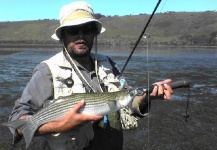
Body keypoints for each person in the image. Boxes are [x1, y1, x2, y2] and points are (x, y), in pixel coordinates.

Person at [8, 1, 173, 150]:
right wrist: (59, 126)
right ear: (63, 36)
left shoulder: (109, 63)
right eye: (73, 30)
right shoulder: (46, 70)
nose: (81, 36)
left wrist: (145, 98)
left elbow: (127, 100)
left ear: (94, 33)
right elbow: (19, 118)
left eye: (87, 29)